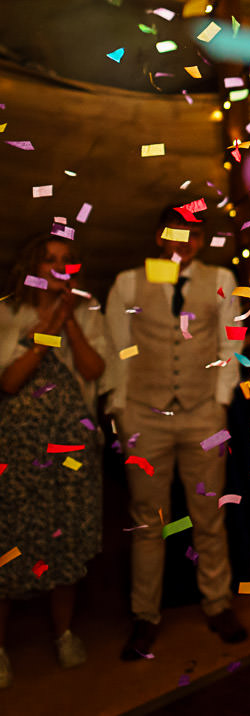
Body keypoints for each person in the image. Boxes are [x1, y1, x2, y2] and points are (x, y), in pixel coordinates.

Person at [105, 205, 248, 659]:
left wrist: (221, 400)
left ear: (202, 241)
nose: (183, 241)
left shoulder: (221, 278)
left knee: (208, 515)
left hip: (203, 412)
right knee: (149, 521)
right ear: (159, 237)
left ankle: (218, 603)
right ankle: (145, 616)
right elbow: (116, 348)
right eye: (175, 232)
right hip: (144, 415)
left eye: (192, 235)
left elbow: (231, 340)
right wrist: (121, 408)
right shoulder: (129, 282)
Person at [0, 235, 110, 687]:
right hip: (18, 450)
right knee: (10, 540)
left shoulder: (90, 311)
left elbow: (94, 370)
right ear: (33, 265)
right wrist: (46, 330)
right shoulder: (8, 312)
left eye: (66, 261)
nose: (58, 267)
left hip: (73, 447)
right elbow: (9, 381)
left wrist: (71, 324)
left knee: (68, 534)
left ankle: (64, 634)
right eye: (49, 260)